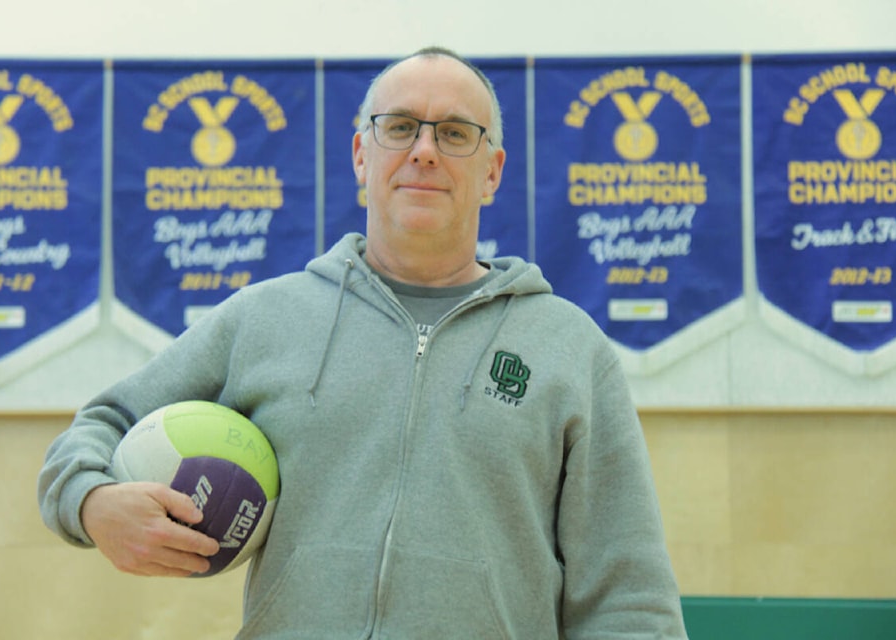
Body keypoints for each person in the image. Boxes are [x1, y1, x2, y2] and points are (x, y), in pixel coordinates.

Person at [38, 46, 688, 639]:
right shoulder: (266, 319)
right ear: (360, 154)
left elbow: (629, 597)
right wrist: (90, 502)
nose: (425, 151)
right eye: (400, 126)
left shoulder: (567, 346)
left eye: (455, 133)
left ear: (491, 172)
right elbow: (100, 426)